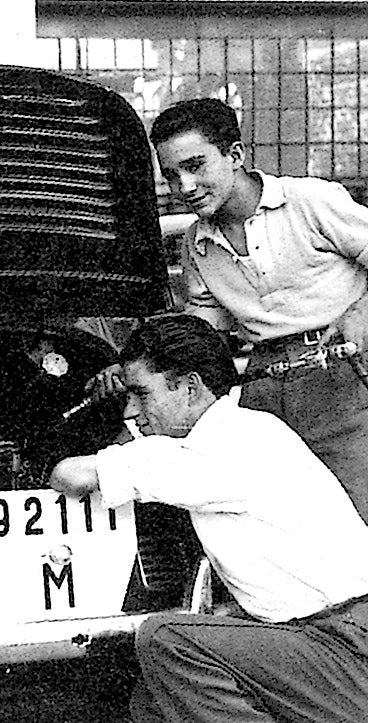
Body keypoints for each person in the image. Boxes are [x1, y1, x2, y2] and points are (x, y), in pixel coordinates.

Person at [50, 314, 368, 722]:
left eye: (141, 394)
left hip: (346, 643)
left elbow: (69, 475)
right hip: (328, 635)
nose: (131, 409)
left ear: (189, 387)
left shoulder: (225, 446)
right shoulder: (250, 427)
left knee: (167, 641)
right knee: (151, 701)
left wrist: (127, 437)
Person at [93, 97, 368, 522]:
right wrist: (134, 371)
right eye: (170, 175)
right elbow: (200, 336)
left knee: (358, 520)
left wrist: (361, 311)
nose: (184, 187)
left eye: (196, 165)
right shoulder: (196, 244)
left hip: (346, 382)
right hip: (263, 393)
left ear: (235, 154)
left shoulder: (310, 201)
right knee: (280, 523)